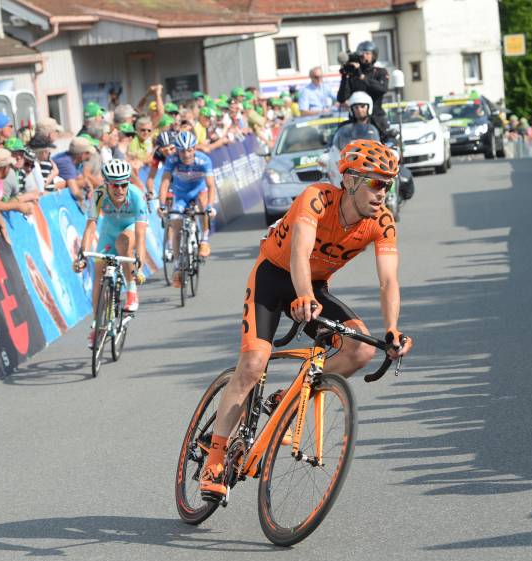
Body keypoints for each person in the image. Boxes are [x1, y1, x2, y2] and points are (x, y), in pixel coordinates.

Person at [198, 138, 414, 497]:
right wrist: (304, 297)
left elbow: (389, 280)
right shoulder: (317, 197)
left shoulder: (383, 222)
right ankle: (215, 458)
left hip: (313, 286)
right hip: (275, 276)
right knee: (253, 366)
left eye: (388, 184)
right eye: (376, 182)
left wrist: (392, 329)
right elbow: (299, 254)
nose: (383, 193)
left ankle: (285, 399)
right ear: (350, 182)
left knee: (360, 350)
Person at [74, 159, 148, 347]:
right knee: (99, 275)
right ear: (106, 184)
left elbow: (140, 235)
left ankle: (131, 290)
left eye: (124, 184)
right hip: (108, 230)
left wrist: (139, 266)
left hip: (129, 229)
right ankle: (97, 325)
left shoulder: (137, 196)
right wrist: (82, 255)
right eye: (115, 185)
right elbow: (90, 227)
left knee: (123, 241)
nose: (120, 189)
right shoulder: (98, 195)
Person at [158, 131, 217, 287]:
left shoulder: (203, 160)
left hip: (199, 191)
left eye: (190, 149)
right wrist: (162, 205)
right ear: (177, 150)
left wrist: (211, 207)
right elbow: (164, 183)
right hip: (181, 194)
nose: (186, 154)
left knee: (204, 206)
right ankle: (177, 267)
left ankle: (204, 239)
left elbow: (211, 185)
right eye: (182, 150)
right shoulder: (172, 160)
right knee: (176, 225)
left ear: (194, 148)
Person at [337, 40, 390, 139]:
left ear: (373, 55)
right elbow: (342, 98)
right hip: (356, 120)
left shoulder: (379, 72)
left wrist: (362, 76)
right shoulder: (353, 74)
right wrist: (344, 77)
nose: (364, 56)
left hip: (376, 119)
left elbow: (382, 89)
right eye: (361, 54)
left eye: (367, 53)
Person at [52, 137, 94, 201]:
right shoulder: (66, 163)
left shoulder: (69, 157)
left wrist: (87, 184)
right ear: (82, 154)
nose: (90, 155)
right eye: (88, 153)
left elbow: (81, 178)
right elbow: (75, 192)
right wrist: (88, 203)